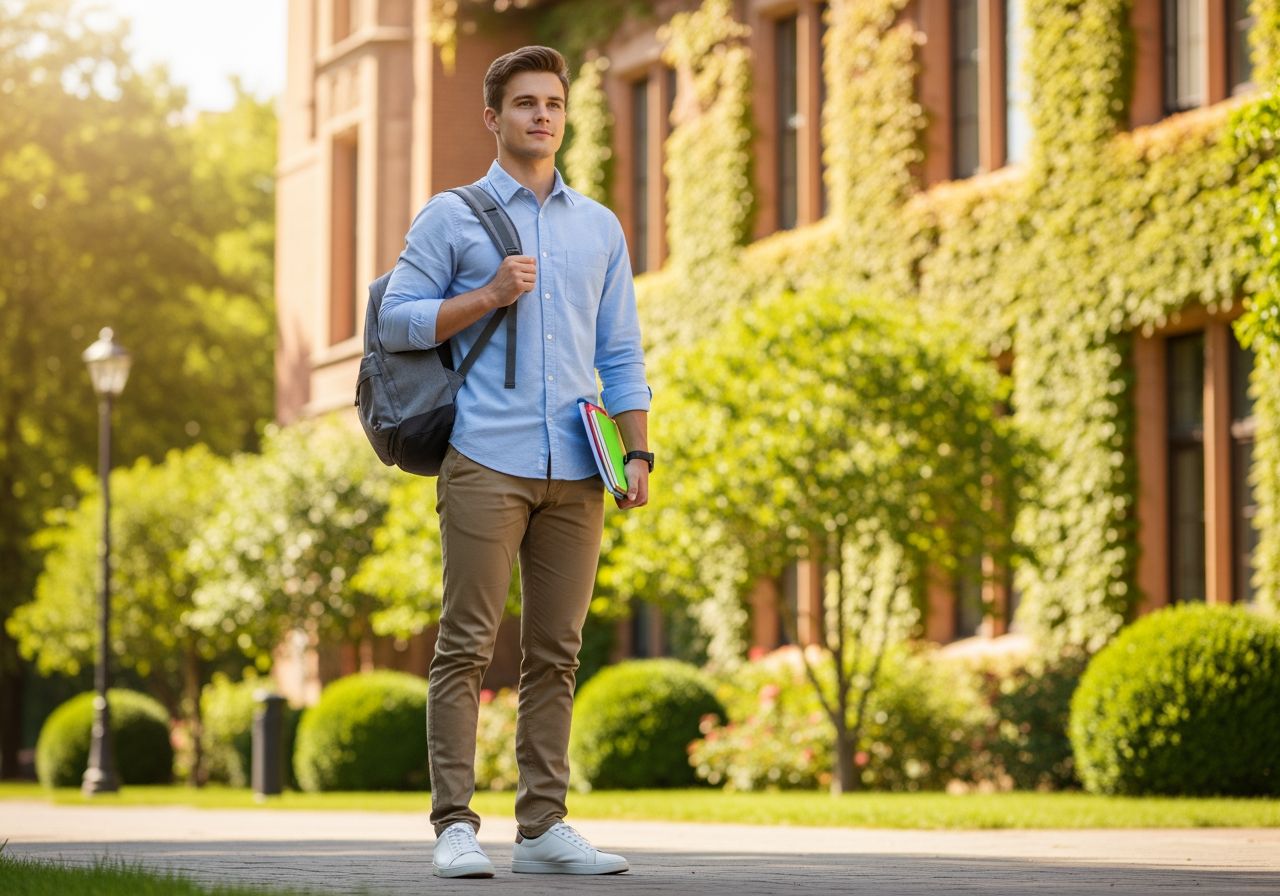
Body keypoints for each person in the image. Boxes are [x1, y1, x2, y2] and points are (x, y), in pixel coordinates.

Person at [378, 45, 652, 878]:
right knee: (465, 643)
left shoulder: (598, 226)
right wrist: (487, 296)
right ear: (493, 118)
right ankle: (455, 825)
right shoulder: (449, 217)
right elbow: (395, 322)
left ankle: (541, 829)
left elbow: (622, 353)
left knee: (556, 652)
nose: (542, 116)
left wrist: (637, 452)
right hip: (484, 460)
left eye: (555, 104)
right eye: (526, 103)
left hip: (578, 468)